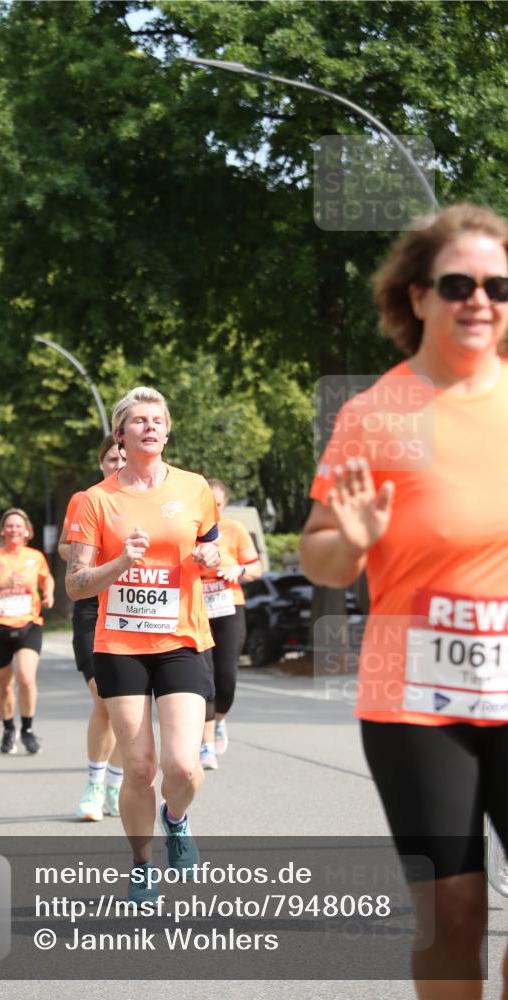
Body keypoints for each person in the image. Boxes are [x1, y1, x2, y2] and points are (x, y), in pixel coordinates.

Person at [300, 203, 508, 998]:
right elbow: (319, 556)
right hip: (416, 703)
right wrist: (350, 541)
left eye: (497, 286)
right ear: (416, 296)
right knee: (452, 913)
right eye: (456, 284)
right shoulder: (374, 415)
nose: (478, 300)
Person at [66, 386, 220, 901]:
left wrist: (212, 560)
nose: (150, 426)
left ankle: (175, 817)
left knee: (183, 767)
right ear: (120, 434)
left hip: (182, 639)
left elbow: (212, 549)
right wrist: (120, 563)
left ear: (168, 431)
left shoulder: (195, 488)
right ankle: (142, 863)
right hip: (120, 646)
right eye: (139, 420)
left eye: (158, 420)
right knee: (137, 767)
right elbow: (76, 584)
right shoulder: (95, 500)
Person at [59, 434, 126, 821]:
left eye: (123, 458)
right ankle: (94, 784)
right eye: (111, 459)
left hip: (132, 606)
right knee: (103, 697)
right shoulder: (86, 499)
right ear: (101, 463)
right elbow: (65, 547)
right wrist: (92, 552)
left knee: (126, 706)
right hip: (91, 604)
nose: (118, 465)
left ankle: (116, 784)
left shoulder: (148, 499)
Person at [0, 508, 54, 755]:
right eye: (9, 526)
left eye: (18, 526)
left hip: (29, 624)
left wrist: (48, 592)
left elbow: (47, 577)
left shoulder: (35, 556)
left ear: (27, 531)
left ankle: (27, 729)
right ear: (2, 531)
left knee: (26, 678)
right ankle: (9, 728)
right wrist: (1, 585)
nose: (14, 530)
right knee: (4, 684)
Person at [198, 478, 262, 770]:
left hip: (228, 606)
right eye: (208, 503)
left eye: (219, 504)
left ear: (225, 504)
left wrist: (239, 569)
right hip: (195, 609)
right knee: (204, 677)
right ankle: (206, 745)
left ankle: (219, 720)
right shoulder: (188, 529)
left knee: (226, 678)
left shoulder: (234, 530)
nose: (214, 509)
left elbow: (256, 568)